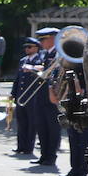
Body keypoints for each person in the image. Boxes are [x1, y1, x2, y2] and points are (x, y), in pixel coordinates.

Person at [30, 28, 62, 167]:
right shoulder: (44, 54)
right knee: (41, 126)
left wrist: (44, 73)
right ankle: (44, 155)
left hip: (52, 95)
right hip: (41, 95)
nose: (41, 42)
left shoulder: (59, 53)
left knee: (52, 127)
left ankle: (51, 156)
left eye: (43, 39)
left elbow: (58, 73)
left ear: (52, 39)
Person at [11, 37, 41, 155]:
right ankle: (20, 146)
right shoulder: (23, 60)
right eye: (25, 47)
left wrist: (32, 69)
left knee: (31, 123)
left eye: (29, 47)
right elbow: (17, 79)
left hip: (32, 96)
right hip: (21, 95)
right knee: (21, 122)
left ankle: (28, 147)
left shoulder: (39, 60)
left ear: (36, 48)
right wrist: (13, 93)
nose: (27, 49)